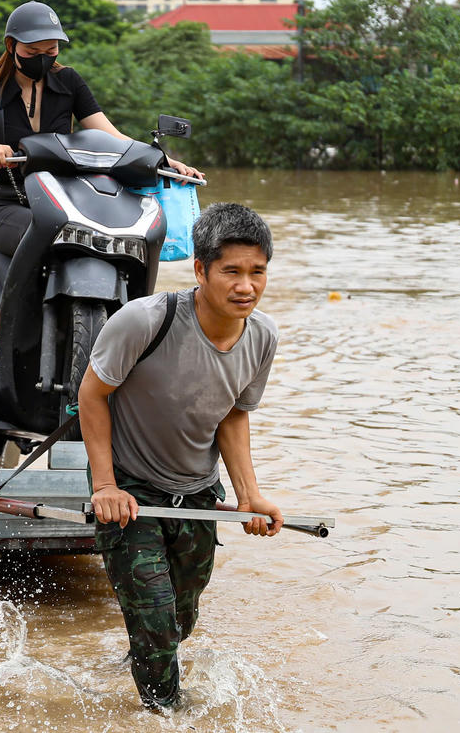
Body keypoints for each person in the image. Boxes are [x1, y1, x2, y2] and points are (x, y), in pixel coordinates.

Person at [78, 202, 285, 711]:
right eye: (231, 272)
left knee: (178, 621)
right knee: (154, 618)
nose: (246, 287)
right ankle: (169, 716)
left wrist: (248, 496)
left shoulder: (262, 337)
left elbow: (234, 415)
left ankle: (145, 659)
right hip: (131, 489)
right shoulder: (146, 322)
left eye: (257, 272)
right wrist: (105, 486)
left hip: (197, 494)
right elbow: (92, 394)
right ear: (200, 270)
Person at [0, 0, 202, 380]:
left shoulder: (67, 82)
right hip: (11, 206)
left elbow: (109, 134)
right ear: (11, 46)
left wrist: (163, 161)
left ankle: (134, 340)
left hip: (66, 202)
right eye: (33, 52)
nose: (43, 59)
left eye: (51, 51)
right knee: (40, 237)